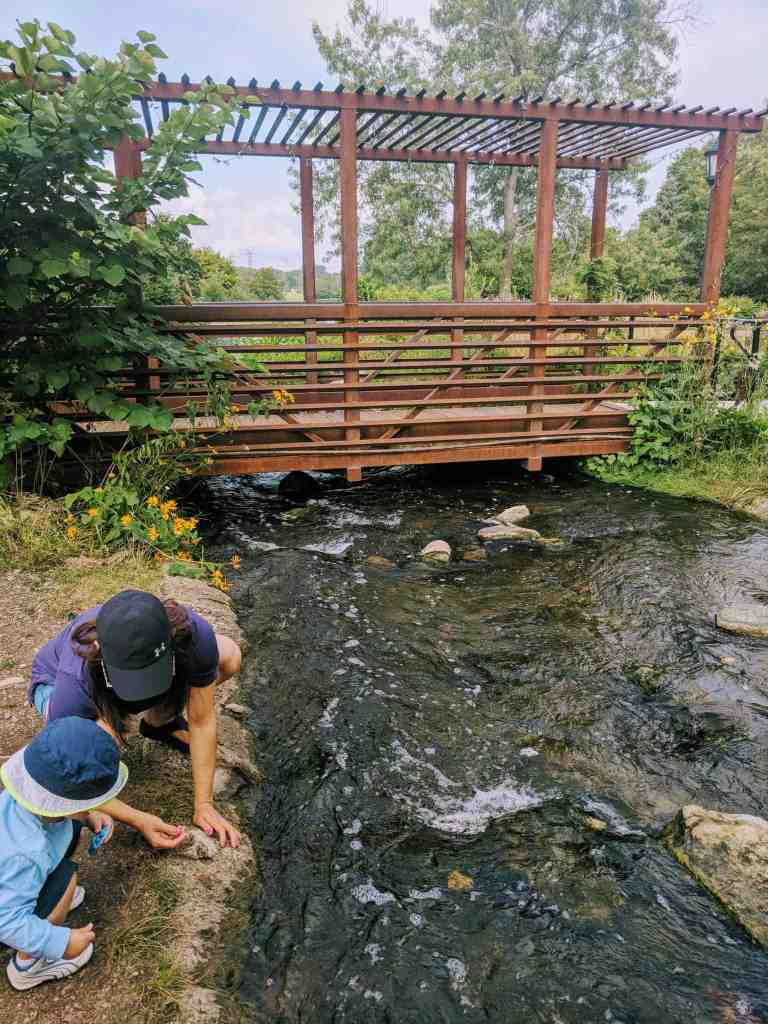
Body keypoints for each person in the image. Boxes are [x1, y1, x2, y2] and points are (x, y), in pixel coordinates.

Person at [28, 590, 242, 849]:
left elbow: (202, 721)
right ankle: (121, 724)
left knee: (229, 655)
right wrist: (139, 820)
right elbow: (61, 771)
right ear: (98, 650)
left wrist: (204, 804)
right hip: (54, 684)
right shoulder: (75, 680)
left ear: (172, 637)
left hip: (133, 677)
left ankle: (159, 724)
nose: (144, 692)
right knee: (94, 744)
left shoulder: (194, 634)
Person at [0, 716, 125, 990]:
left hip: (12, 881)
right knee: (66, 878)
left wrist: (89, 815)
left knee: (73, 826)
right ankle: (28, 964)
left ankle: (46, 900)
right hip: (5, 911)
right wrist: (61, 943)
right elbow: (6, 920)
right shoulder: (24, 853)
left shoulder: (25, 800)